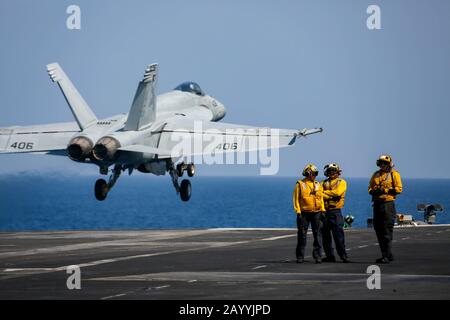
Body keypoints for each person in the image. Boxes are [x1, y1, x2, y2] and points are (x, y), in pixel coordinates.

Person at [368, 155, 403, 264]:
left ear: (388, 164)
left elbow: (399, 189)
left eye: (384, 163)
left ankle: (386, 255)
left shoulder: (394, 174)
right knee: (378, 229)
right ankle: (387, 254)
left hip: (388, 204)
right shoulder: (376, 174)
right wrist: (373, 191)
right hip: (377, 204)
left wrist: (385, 190)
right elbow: (370, 187)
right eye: (381, 163)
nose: (382, 165)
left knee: (387, 230)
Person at [292, 164, 325, 264]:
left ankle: (318, 256)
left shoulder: (318, 184)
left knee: (318, 235)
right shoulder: (300, 184)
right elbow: (296, 199)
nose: (315, 175)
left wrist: (323, 210)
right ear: (308, 173)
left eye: (316, 173)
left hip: (317, 213)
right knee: (302, 235)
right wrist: (298, 211)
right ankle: (300, 256)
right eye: (313, 173)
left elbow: (321, 198)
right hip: (304, 213)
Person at [321, 163, 349, 263]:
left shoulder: (341, 182)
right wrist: (330, 196)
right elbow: (319, 193)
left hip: (336, 212)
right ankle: (330, 256)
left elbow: (337, 192)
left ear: (337, 171)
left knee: (338, 236)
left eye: (333, 170)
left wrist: (324, 194)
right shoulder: (323, 182)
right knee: (325, 237)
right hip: (325, 212)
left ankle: (343, 256)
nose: (331, 172)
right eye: (329, 170)